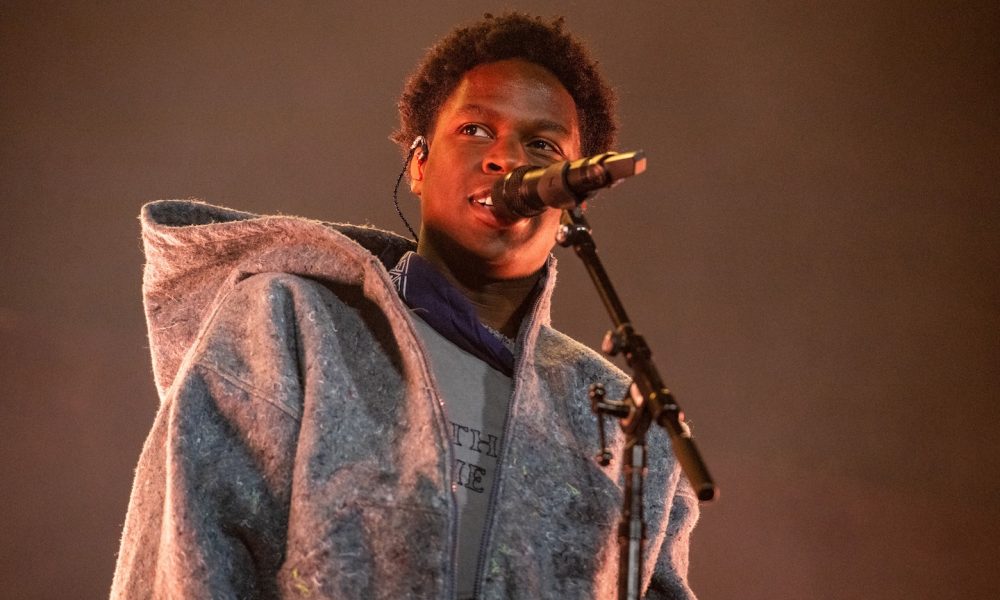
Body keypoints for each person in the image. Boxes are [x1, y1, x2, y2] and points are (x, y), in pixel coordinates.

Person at [111, 12, 698, 600]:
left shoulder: (620, 414)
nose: (505, 159)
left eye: (541, 145)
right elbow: (185, 565)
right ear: (418, 163)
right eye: (475, 131)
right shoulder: (288, 322)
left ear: (576, 192)